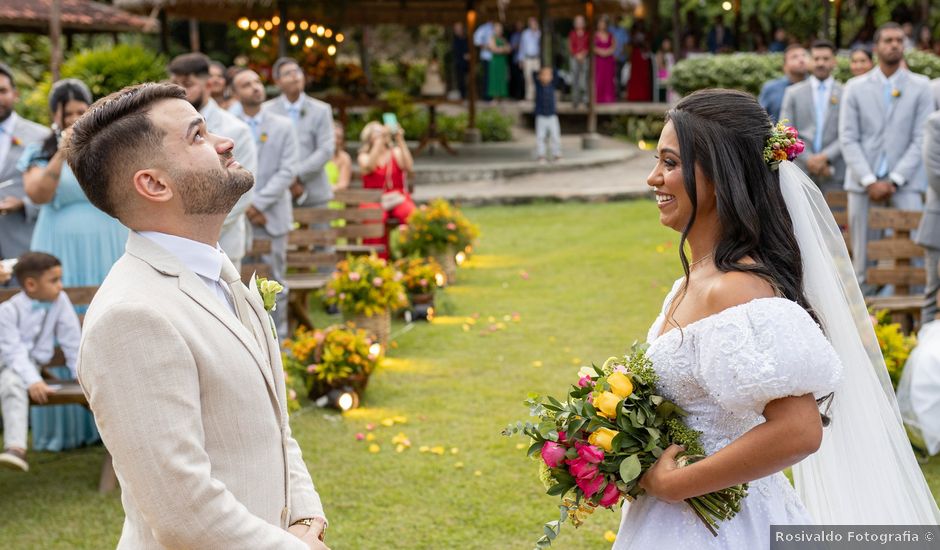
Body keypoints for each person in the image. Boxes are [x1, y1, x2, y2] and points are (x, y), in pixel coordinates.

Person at [613, 87, 939, 549]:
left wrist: (676, 484)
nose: (653, 178)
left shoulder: (738, 288)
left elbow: (799, 430)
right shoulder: (692, 281)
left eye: (670, 163)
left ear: (721, 174)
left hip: (724, 526)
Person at [67, 82, 329, 549]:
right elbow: (183, 510)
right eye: (198, 136)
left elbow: (275, 428)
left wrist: (307, 517)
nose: (225, 142)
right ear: (154, 183)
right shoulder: (130, 316)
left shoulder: (219, 271)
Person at [20, 78, 126, 452]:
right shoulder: (39, 151)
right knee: (61, 322)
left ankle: (111, 424)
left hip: (106, 243)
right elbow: (37, 194)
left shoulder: (107, 148)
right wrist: (62, 152)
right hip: (58, 247)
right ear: (56, 118)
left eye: (84, 112)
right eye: (70, 115)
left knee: (106, 318)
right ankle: (65, 426)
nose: (78, 119)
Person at [839, 22, 936, 294]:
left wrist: (894, 179)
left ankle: (917, 323)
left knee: (916, 252)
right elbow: (848, 137)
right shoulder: (855, 87)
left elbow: (921, 138)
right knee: (863, 257)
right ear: (877, 47)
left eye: (899, 40)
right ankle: (866, 324)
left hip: (906, 182)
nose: (894, 45)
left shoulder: (921, 87)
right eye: (888, 40)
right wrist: (869, 179)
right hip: (862, 183)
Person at [168, 53, 257, 271]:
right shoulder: (168, 128)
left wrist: (196, 228)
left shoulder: (236, 130)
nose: (180, 91)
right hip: (177, 244)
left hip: (223, 242)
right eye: (175, 83)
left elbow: (243, 192)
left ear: (208, 83)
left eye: (187, 84)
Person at [231, 68, 298, 340]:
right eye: (247, 84)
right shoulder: (228, 125)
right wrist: (246, 206)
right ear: (235, 94)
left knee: (276, 278)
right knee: (238, 280)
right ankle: (247, 337)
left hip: (273, 215)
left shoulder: (283, 125)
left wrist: (257, 203)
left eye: (257, 82)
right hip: (239, 216)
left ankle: (278, 337)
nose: (255, 87)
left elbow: (288, 171)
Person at [0, 253, 80, 472]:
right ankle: (16, 448)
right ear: (31, 284)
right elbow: (12, 353)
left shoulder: (59, 301)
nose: (60, 286)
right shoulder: (8, 311)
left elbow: (72, 339)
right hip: (6, 361)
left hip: (24, 368)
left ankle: (16, 449)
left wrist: (80, 375)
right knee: (10, 381)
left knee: (11, 382)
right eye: (54, 281)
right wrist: (34, 381)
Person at [264, 57, 335, 210]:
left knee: (320, 234)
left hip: (315, 192)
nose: (294, 76)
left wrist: (296, 175)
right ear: (277, 81)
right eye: (287, 73)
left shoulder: (321, 110)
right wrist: (285, 179)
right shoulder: (267, 111)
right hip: (277, 193)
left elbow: (326, 149)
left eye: (297, 71)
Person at [0, 63, 51, 264]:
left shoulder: (40, 137)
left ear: (15, 94)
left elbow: (55, 191)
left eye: (2, 91)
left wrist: (23, 205)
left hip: (23, 244)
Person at [780, 40, 844, 193]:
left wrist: (825, 157)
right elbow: (785, 131)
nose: (821, 63)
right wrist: (808, 159)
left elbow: (849, 132)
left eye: (826, 59)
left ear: (834, 62)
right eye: (816, 59)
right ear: (809, 61)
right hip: (801, 169)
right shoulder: (793, 93)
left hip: (833, 171)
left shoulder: (845, 92)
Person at [358, 121, 415, 259]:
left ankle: (410, 256)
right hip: (373, 199)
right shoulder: (363, 156)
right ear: (369, 138)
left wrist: (400, 140)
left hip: (396, 197)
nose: (382, 135)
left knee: (411, 215)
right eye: (376, 133)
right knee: (375, 218)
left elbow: (409, 167)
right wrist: (378, 144)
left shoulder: (395, 152)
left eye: (382, 132)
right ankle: (377, 259)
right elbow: (369, 167)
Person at [916, 111, 940, 322]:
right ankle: (928, 348)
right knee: (933, 294)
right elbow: (935, 175)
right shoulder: (936, 122)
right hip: (938, 226)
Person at [757, 44, 808, 122]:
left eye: (804, 55)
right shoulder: (770, 88)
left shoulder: (816, 88)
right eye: (794, 57)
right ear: (785, 66)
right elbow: (759, 118)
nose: (801, 60)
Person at [533, 67, 561, 163]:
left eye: (548, 75)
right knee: (541, 137)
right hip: (541, 116)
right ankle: (541, 155)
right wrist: (540, 72)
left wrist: (551, 71)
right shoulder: (538, 86)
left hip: (552, 116)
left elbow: (557, 73)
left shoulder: (552, 85)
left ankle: (556, 154)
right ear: (540, 76)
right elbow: (533, 74)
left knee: (555, 136)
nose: (546, 77)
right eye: (544, 75)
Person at [594, 16, 617, 104]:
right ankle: (598, 98)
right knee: (599, 78)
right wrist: (601, 52)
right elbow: (592, 47)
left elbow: (614, 46)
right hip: (598, 60)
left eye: (603, 23)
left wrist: (607, 52)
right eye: (600, 23)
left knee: (609, 79)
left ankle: (608, 98)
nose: (602, 25)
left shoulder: (610, 35)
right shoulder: (594, 35)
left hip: (608, 60)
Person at [568, 16, 590, 108]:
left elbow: (589, 46)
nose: (579, 23)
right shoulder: (572, 34)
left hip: (585, 58)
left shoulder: (587, 34)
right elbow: (570, 46)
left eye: (581, 21)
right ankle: (575, 100)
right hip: (574, 58)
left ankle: (585, 100)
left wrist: (583, 54)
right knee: (575, 79)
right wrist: (576, 55)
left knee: (585, 79)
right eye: (577, 22)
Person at [625, 29, 652, 102]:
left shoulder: (645, 50)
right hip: (636, 69)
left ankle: (641, 96)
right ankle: (636, 96)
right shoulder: (635, 51)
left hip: (642, 71)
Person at [486, 23, 511, 100]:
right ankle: (495, 97)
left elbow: (509, 49)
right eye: (497, 30)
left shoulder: (503, 39)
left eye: (500, 30)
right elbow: (494, 50)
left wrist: (501, 49)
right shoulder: (492, 38)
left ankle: (501, 96)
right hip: (495, 62)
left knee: (502, 78)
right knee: (495, 78)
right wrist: (503, 49)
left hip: (502, 61)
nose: (499, 31)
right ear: (494, 30)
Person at [519, 17, 541, 101]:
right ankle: (529, 97)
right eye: (531, 23)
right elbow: (522, 47)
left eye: (534, 23)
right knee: (528, 78)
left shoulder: (539, 33)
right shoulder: (525, 34)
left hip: (537, 58)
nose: (533, 25)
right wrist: (521, 60)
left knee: (538, 78)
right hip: (527, 58)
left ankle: (537, 96)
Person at [473, 20, 494, 101]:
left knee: (493, 77)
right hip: (486, 56)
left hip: (496, 57)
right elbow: (476, 41)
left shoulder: (496, 27)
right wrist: (487, 47)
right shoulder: (483, 28)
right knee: (487, 77)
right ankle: (487, 96)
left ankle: (494, 95)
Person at [326, 124, 352, 191]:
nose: (335, 140)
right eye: (333, 136)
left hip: (336, 197)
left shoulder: (344, 158)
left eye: (339, 137)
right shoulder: (318, 155)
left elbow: (343, 184)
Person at [653, 38, 676, 104]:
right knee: (672, 79)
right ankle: (670, 99)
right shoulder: (660, 53)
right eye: (665, 43)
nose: (667, 45)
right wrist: (668, 70)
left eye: (668, 43)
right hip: (662, 73)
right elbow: (660, 66)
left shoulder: (672, 53)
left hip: (670, 72)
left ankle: (673, 99)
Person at [451, 22, 469, 99]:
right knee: (460, 81)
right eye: (457, 29)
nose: (459, 30)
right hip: (459, 63)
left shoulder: (466, 38)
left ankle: (468, 95)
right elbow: (456, 52)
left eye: (460, 29)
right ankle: (462, 96)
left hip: (467, 63)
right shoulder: (455, 40)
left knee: (468, 80)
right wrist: (463, 56)